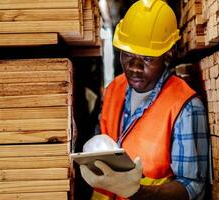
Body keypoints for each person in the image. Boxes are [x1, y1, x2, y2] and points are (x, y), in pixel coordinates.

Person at [80, 0, 210, 199]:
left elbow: (192, 186)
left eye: (147, 59)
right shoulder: (114, 89)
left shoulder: (185, 107)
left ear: (168, 55)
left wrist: (137, 192)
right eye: (127, 54)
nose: (134, 67)